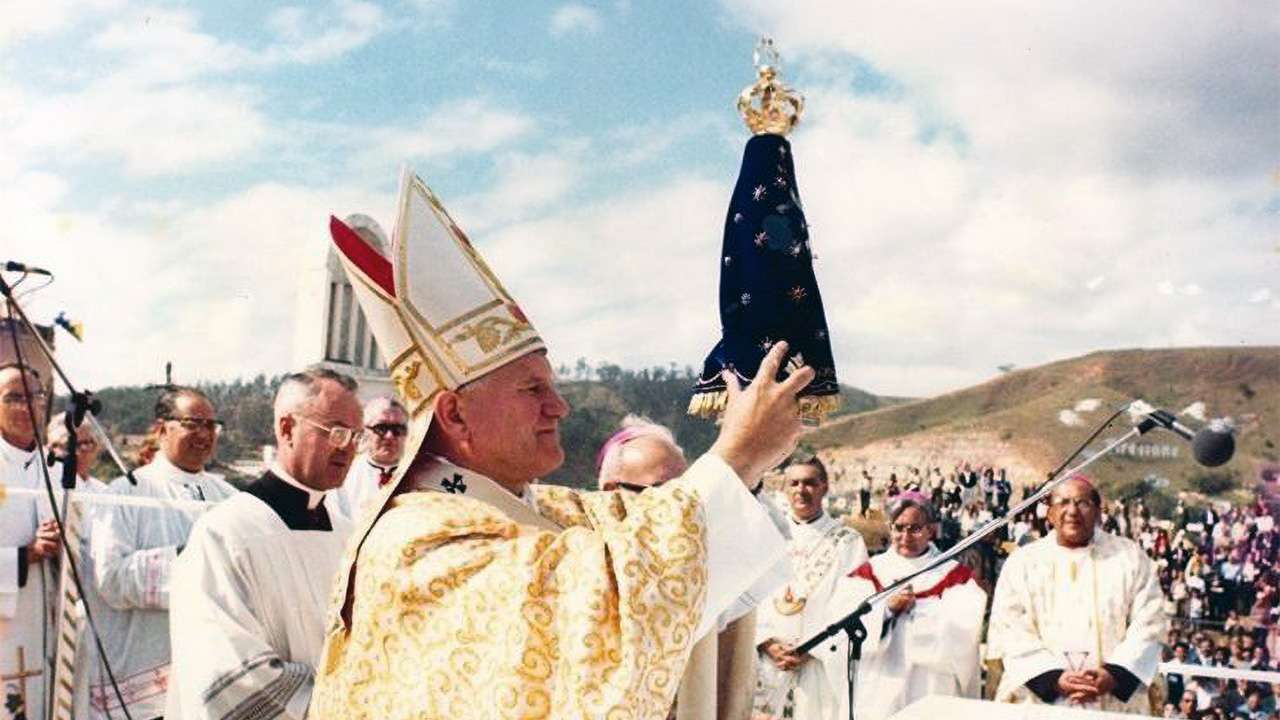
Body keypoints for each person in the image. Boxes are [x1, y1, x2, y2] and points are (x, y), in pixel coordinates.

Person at [312, 174, 802, 719]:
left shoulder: (538, 506)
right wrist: (735, 458)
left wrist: (748, 456)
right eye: (532, 389)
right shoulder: (416, 542)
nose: (559, 407)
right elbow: (596, 601)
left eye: (553, 387)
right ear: (454, 413)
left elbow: (648, 525)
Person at [168, 368, 362, 719]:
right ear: (287, 428)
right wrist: (339, 705)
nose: (347, 448)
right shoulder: (225, 533)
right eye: (335, 432)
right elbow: (226, 672)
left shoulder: (349, 537)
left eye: (355, 436)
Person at [595, 416, 789, 720]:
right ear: (611, 491)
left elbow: (764, 548)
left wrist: (749, 476)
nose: (679, 507)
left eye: (683, 491)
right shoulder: (585, 558)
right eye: (662, 491)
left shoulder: (694, 558)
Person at [85, 386, 236, 719]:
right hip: (144, 682)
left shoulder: (229, 496)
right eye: (193, 424)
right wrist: (189, 558)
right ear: (160, 428)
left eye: (211, 426)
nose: (204, 434)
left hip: (210, 675)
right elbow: (109, 579)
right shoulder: (125, 493)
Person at [987, 475, 1168, 713]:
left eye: (1083, 503)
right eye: (1063, 503)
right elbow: (1010, 628)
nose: (1072, 511)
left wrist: (1114, 674)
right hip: (1039, 701)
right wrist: (1052, 679)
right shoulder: (1023, 562)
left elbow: (1150, 622)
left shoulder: (1130, 557)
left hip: (1112, 701)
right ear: (1050, 513)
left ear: (1098, 511)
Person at [820, 492, 986, 719]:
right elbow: (841, 631)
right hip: (879, 685)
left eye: (915, 528)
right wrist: (886, 610)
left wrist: (917, 610)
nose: (906, 536)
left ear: (931, 530)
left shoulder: (955, 576)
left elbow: (964, 630)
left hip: (930, 685)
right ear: (890, 528)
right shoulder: (867, 574)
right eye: (899, 528)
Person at [753, 457, 868, 720]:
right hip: (768, 662)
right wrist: (766, 641)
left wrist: (812, 646)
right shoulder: (766, 535)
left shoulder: (848, 542)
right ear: (784, 489)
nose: (801, 490)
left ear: (824, 487)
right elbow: (749, 595)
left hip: (819, 664)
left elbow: (853, 604)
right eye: (793, 483)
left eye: (809, 483)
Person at [0, 364, 57, 720]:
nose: (26, 407)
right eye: (13, 398)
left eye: (34, 397)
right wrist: (27, 555)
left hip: (48, 625)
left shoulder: (58, 468)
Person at [331, 395, 407, 522]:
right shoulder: (343, 476)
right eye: (381, 428)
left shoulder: (420, 475)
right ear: (363, 431)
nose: (389, 436)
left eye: (397, 429)